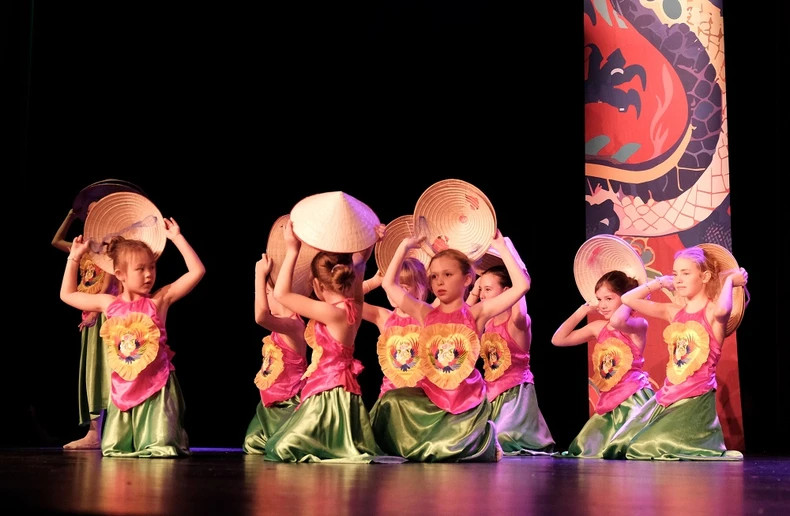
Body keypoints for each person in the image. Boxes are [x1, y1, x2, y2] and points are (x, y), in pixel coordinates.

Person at [374, 230, 529, 462]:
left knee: (456, 449)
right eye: (434, 277)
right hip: (431, 394)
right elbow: (389, 284)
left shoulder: (477, 313)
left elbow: (521, 287)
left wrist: (503, 247)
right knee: (391, 401)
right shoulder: (424, 312)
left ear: (467, 279)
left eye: (447, 274)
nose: (439, 282)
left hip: (465, 398)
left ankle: (484, 431)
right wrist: (405, 246)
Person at [59, 217, 205, 457]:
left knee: (161, 446)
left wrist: (177, 237)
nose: (149, 275)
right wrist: (74, 257)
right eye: (141, 269)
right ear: (120, 274)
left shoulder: (159, 301)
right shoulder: (109, 304)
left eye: (152, 267)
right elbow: (68, 294)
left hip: (156, 389)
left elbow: (197, 271)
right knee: (116, 449)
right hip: (123, 391)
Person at [602, 246, 747, 460]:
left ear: (705, 276)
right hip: (666, 397)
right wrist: (659, 282)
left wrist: (728, 282)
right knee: (620, 444)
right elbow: (627, 300)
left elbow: (724, 310)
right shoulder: (673, 312)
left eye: (685, 273)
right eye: (675, 273)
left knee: (643, 447)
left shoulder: (712, 313)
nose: (678, 279)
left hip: (694, 401)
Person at [263, 220, 390, 462]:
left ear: (318, 285)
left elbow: (281, 294)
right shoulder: (354, 305)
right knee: (280, 444)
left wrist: (292, 250)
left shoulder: (331, 313)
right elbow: (360, 264)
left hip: (330, 392)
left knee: (282, 448)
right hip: (340, 389)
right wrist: (370, 241)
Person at [551, 270, 654, 458]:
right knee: (585, 448)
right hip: (608, 400)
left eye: (609, 298)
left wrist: (630, 299)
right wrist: (583, 310)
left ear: (625, 298)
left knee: (631, 449)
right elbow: (558, 339)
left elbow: (618, 320)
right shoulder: (598, 328)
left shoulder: (637, 324)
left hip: (633, 398)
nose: (602, 305)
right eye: (599, 299)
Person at [470, 263, 555, 455]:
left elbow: (519, 307)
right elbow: (464, 318)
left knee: (501, 438)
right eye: (481, 289)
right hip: (489, 395)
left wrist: (519, 278)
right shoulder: (486, 322)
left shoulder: (517, 322)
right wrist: (475, 287)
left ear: (506, 291)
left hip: (515, 396)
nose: (482, 294)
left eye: (488, 289)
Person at [52, 207, 119, 450]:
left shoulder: (110, 246)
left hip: (105, 313)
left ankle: (112, 430)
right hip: (90, 312)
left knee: (110, 367)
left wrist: (94, 310)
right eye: (87, 213)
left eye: (95, 212)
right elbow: (56, 241)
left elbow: (110, 278)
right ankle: (94, 433)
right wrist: (71, 215)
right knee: (93, 369)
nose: (91, 216)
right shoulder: (84, 247)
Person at [243, 253, 307, 454]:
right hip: (269, 408)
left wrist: (258, 275)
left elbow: (260, 316)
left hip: (290, 407)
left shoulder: (294, 325)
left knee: (282, 447)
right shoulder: (279, 328)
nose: (265, 296)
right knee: (251, 443)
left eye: (267, 292)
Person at [361, 258, 429, 399]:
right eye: (392, 285)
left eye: (402, 287)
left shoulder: (428, 316)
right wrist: (373, 282)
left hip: (422, 399)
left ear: (419, 288)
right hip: (391, 397)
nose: (394, 292)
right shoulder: (383, 317)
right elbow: (348, 301)